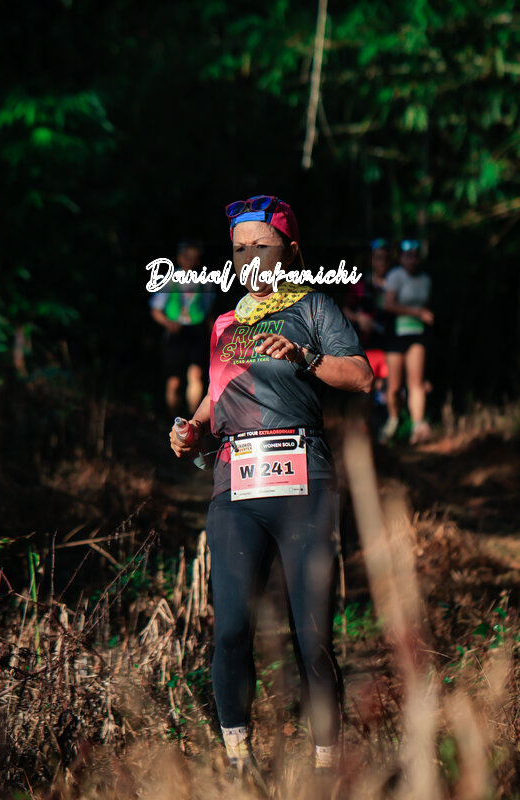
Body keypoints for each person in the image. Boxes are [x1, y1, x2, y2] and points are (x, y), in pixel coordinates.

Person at [169, 195, 373, 780]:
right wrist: (190, 430)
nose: (249, 258)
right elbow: (218, 398)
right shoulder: (225, 325)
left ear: (290, 250)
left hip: (304, 483)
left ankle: (327, 768)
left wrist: (306, 355)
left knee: (311, 634)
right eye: (239, 249)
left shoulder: (313, 306)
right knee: (231, 629)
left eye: (262, 246)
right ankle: (239, 763)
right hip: (235, 487)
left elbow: (360, 376)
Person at [149, 241, 215, 415]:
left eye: (195, 257)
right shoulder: (168, 280)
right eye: (188, 257)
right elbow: (155, 309)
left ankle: (193, 420)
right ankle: (173, 420)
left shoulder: (206, 281)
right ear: (180, 258)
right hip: (175, 334)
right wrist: (168, 323)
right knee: (174, 381)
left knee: (196, 375)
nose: (191, 261)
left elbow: (208, 311)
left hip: (197, 332)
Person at [382, 239, 434, 444]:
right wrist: (418, 313)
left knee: (416, 382)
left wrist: (423, 315)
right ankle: (393, 420)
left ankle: (417, 425)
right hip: (396, 334)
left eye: (415, 256)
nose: (412, 260)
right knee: (394, 386)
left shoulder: (426, 280)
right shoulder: (395, 276)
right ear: (401, 258)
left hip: (417, 334)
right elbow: (389, 304)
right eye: (407, 256)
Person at [342, 237, 392, 387]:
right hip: (366, 346)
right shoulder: (360, 283)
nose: (382, 262)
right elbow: (345, 309)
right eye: (378, 257)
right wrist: (359, 318)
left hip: (391, 346)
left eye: (386, 258)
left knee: (389, 389)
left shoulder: (396, 283)